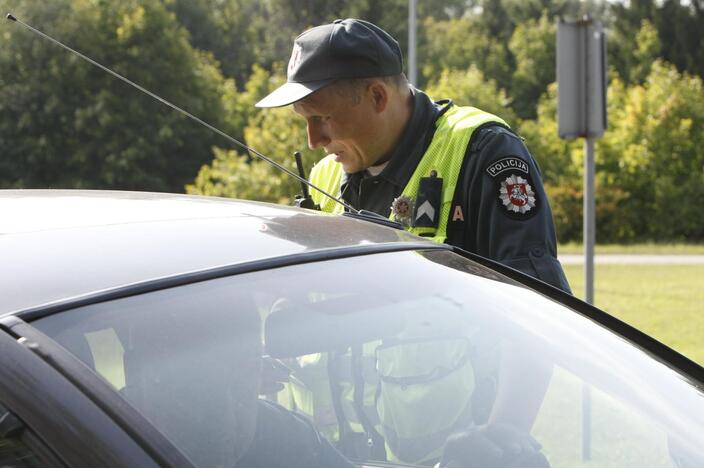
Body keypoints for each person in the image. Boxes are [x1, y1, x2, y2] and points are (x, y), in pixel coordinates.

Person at [255, 18, 564, 468]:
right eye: (305, 122)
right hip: (337, 456)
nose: (314, 140)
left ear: (378, 96)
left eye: (321, 117)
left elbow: (539, 314)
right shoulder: (326, 177)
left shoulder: (482, 151)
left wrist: (499, 441)